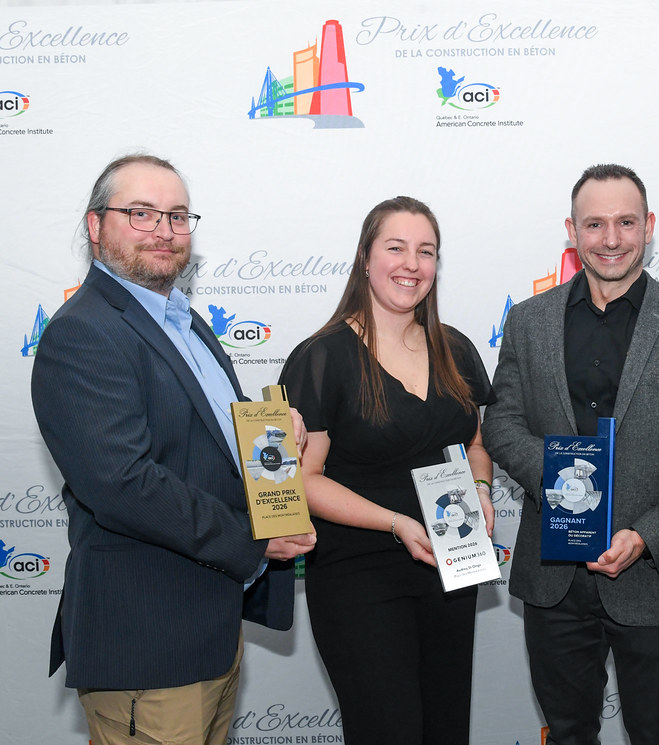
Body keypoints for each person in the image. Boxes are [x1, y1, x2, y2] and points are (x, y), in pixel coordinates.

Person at [30, 153, 316, 745]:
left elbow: (198, 437)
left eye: (177, 216)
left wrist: (267, 430)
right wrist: (252, 540)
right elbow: (123, 483)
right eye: (141, 213)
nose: (163, 230)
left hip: (209, 628)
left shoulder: (185, 322)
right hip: (146, 640)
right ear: (95, 225)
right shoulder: (84, 331)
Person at [482, 164, 659, 745]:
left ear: (649, 225)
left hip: (653, 575)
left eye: (626, 222)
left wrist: (645, 535)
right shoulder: (528, 321)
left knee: (656, 735)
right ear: (572, 231)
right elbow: (502, 425)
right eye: (594, 224)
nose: (611, 239)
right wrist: (565, 482)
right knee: (568, 734)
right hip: (554, 579)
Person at [279, 196, 495, 745]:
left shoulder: (456, 349)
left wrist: (481, 488)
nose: (411, 264)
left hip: (448, 568)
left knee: (446, 730)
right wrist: (396, 523)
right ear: (365, 258)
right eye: (396, 248)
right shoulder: (322, 356)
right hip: (359, 574)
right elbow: (305, 479)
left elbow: (474, 442)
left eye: (426, 252)